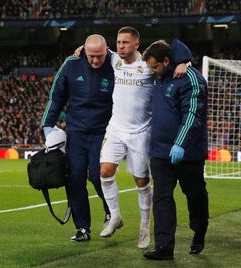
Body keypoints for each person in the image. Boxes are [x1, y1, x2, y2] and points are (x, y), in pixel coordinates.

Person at [98, 26, 191, 249]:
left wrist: (183, 62)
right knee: (104, 171)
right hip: (116, 128)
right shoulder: (113, 60)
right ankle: (115, 216)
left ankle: (144, 227)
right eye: (119, 42)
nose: (120, 46)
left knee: (141, 182)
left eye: (125, 43)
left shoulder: (147, 66)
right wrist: (81, 48)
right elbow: (96, 46)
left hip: (141, 131)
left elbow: (175, 48)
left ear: (136, 45)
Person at [41, 34, 114, 242]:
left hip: (104, 131)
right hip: (77, 132)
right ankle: (83, 228)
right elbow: (56, 97)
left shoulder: (116, 63)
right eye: (91, 56)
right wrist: (47, 126)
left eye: (99, 56)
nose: (95, 60)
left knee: (98, 175)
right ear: (84, 52)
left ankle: (111, 211)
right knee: (75, 180)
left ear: (107, 51)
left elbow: (137, 59)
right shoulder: (71, 64)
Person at [142, 40, 209, 260]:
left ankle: (199, 230)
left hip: (188, 152)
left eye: (156, 67)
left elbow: (192, 114)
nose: (152, 72)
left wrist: (179, 142)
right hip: (160, 152)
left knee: (195, 195)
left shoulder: (191, 78)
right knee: (161, 197)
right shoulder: (158, 77)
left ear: (167, 61)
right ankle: (164, 247)